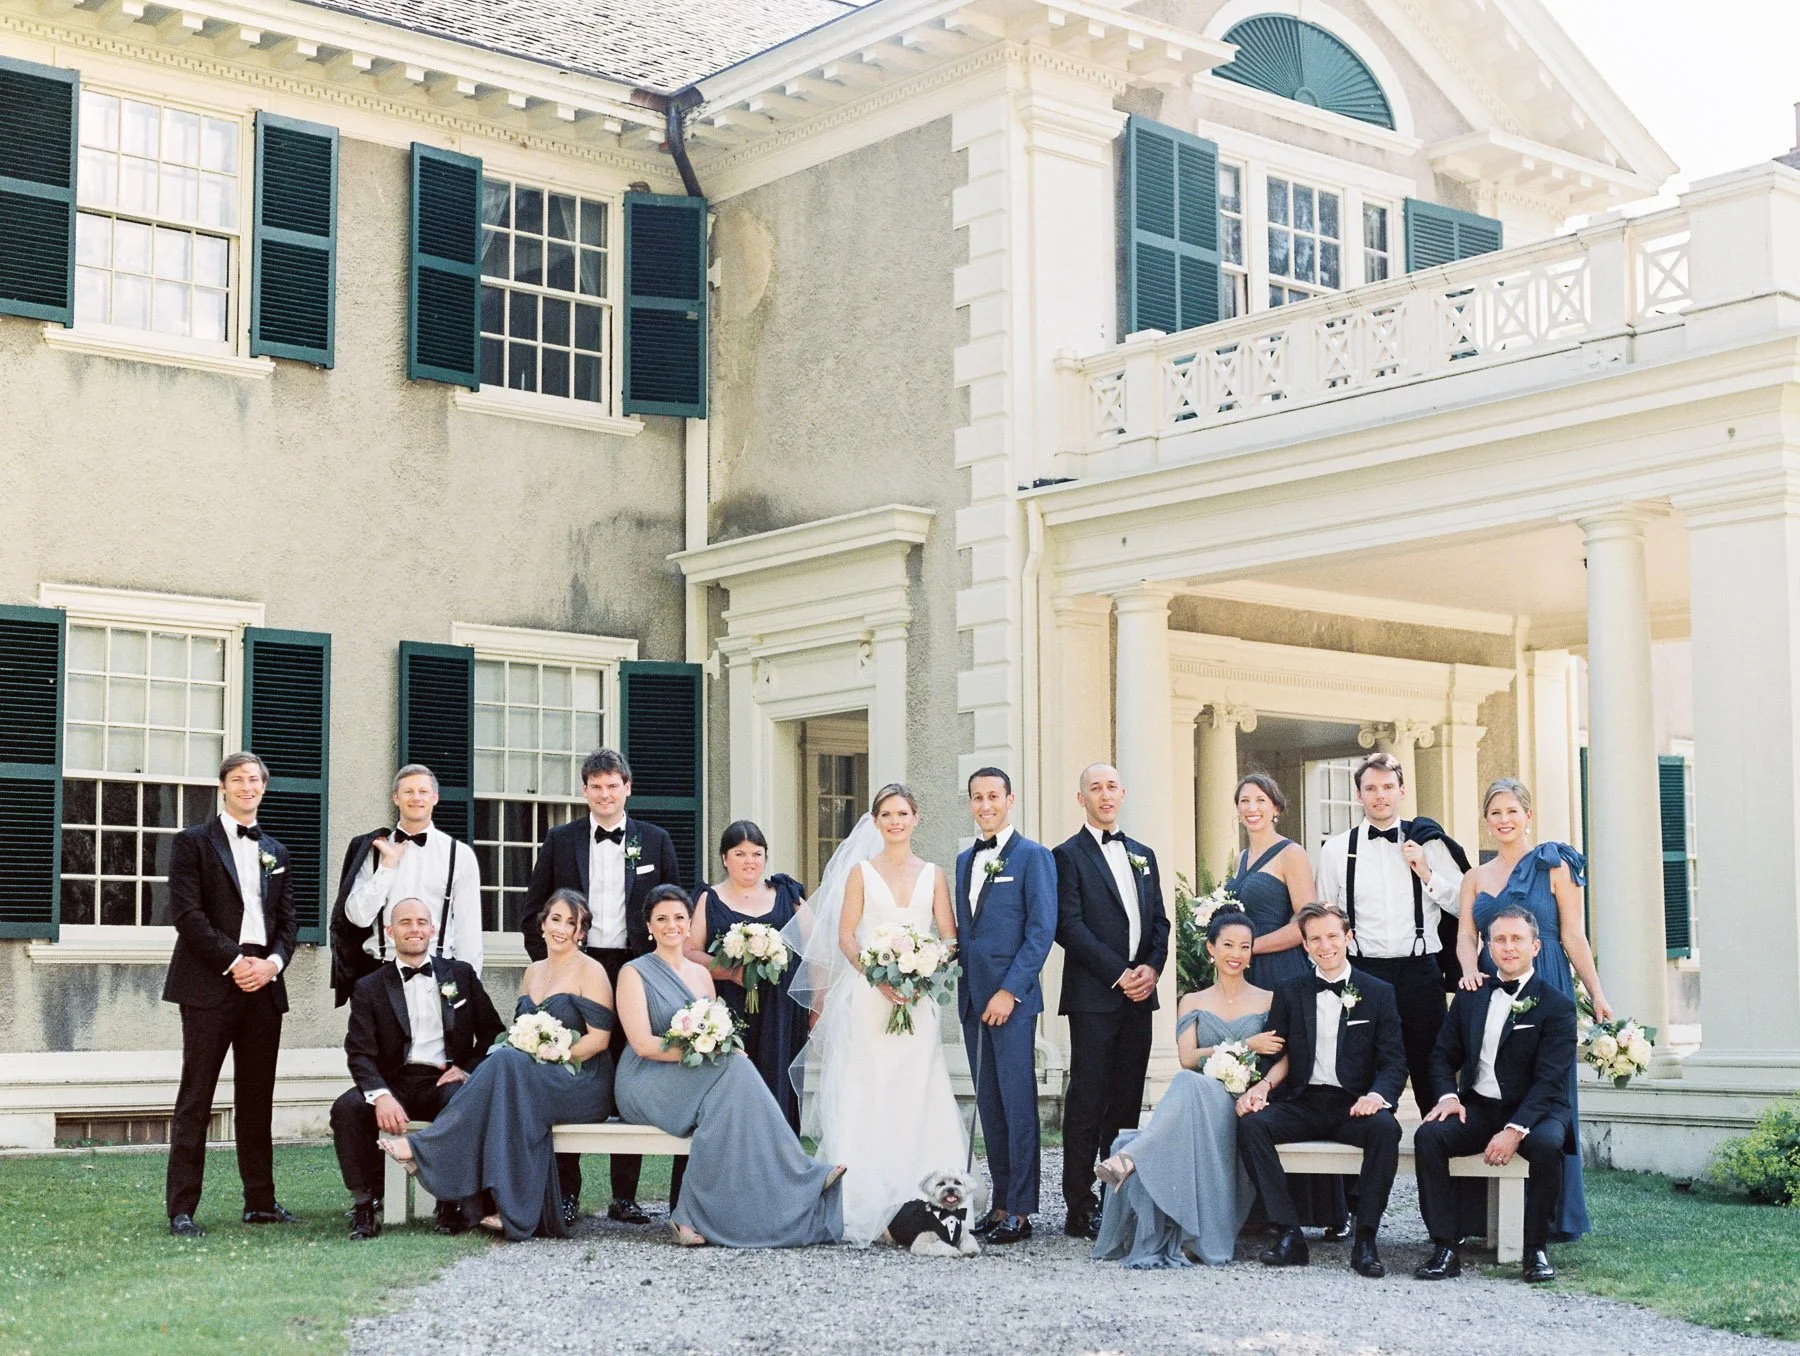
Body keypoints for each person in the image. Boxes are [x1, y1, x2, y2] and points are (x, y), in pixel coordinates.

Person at [787, 784, 968, 1246]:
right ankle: (864, 1198)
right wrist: (876, 972)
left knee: (918, 1088)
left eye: (903, 813)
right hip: (871, 998)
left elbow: (949, 938)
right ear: (875, 821)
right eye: (886, 814)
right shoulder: (860, 873)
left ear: (916, 817)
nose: (895, 821)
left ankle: (921, 1197)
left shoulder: (934, 874)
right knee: (869, 1087)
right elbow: (846, 935)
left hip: (918, 1001)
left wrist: (925, 967)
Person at [615, 886, 844, 1248]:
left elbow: (716, 1030)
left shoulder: (702, 975)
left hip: (690, 1076)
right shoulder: (634, 972)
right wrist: (702, 1048)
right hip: (644, 1081)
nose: (671, 925)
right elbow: (643, 1044)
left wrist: (719, 1046)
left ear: (690, 926)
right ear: (648, 926)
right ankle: (800, 1168)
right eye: (661, 919)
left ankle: (693, 1215)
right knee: (734, 1070)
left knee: (732, 1085)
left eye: (678, 918)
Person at [381, 889, 617, 1240]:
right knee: (508, 1076)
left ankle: (424, 1149)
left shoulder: (591, 970)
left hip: (580, 1079)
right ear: (542, 924)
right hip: (533, 1077)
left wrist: (553, 1054)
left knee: (505, 1064)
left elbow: (599, 1039)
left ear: (582, 932)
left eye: (573, 923)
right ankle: (509, 1210)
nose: (562, 929)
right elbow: (520, 1033)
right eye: (556, 919)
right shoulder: (533, 972)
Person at [518, 748, 682, 1227]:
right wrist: (554, 968)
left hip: (637, 968)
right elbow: (533, 912)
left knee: (628, 1068)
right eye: (596, 786)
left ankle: (624, 1197)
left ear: (627, 788)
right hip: (577, 968)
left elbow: (675, 907)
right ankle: (566, 1192)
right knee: (566, 1066)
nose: (605, 794)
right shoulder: (560, 839)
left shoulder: (655, 840)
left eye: (613, 786)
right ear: (585, 791)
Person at [1455, 777, 1610, 1242]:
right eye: (1494, 813)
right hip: (1490, 988)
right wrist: (1467, 972)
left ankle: (1550, 1217)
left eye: (1511, 811)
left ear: (1528, 815)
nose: (1503, 820)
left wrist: (1596, 993)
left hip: (1545, 985)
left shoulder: (1554, 865)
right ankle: (1481, 1218)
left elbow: (1572, 935)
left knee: (1546, 1092)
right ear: (1486, 821)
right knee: (1484, 1087)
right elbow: (1466, 935)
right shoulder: (1475, 877)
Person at [1092, 907, 1283, 1266]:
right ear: (1211, 948)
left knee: (1183, 1087)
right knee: (1188, 1080)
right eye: (1228, 945)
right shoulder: (1192, 1001)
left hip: (1242, 1103)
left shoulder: (1269, 999)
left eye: (1245, 946)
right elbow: (1186, 1058)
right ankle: (1133, 1157)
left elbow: (1283, 1056)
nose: (1236, 954)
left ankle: (1131, 1157)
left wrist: (1261, 1083)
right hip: (1199, 1102)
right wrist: (1245, 1046)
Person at [162, 751, 298, 1238]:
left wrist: (271, 964)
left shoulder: (276, 851)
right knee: (196, 1097)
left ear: (264, 787)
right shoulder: (192, 843)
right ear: (222, 787)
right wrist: (234, 961)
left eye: (255, 780)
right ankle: (182, 1208)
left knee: (257, 1097)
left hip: (264, 984)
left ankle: (259, 1202)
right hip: (209, 981)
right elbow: (187, 915)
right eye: (238, 780)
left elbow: (288, 922)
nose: (247, 787)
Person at [1235, 903, 1406, 1278]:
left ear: (1349, 938)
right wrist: (1262, 1087)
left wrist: (1376, 1096)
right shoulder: (1289, 991)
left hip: (1353, 1105)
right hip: (1303, 1101)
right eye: (1315, 939)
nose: (1324, 946)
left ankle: (1366, 1240)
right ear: (1305, 946)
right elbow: (1277, 1053)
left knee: (1386, 1129)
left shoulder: (1378, 992)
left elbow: (1393, 1062)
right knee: (1252, 1126)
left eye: (1332, 936)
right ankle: (1288, 1234)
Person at [1415, 901, 1577, 1284]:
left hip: (1537, 1109)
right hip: (1480, 1105)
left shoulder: (1557, 1006)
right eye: (1499, 939)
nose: (1508, 947)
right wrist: (1448, 1098)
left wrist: (1515, 1128)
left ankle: (1535, 1249)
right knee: (1429, 1137)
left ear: (1535, 946)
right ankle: (1445, 1246)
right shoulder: (1471, 996)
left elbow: (1551, 1080)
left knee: (1547, 1145)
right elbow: (1440, 1056)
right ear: (1488, 948)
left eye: (1517, 939)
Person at [331, 897, 504, 1239]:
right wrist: (379, 1095)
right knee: (347, 1108)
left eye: (422, 922)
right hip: (392, 1081)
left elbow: (492, 1032)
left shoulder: (461, 975)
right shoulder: (369, 987)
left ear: (433, 929)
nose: (415, 929)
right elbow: (359, 1052)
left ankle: (450, 1201)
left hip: (442, 1079)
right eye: (406, 923)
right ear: (390, 931)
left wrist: (467, 1068)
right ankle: (366, 1204)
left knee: (460, 1101)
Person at [1314, 753, 1469, 1119]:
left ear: (1402, 791)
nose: (1379, 795)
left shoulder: (1428, 843)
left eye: (1387, 787)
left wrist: (1427, 872)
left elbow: (1465, 905)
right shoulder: (1336, 850)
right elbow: (1325, 919)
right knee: (1360, 1073)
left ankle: (1442, 1164)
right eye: (1371, 788)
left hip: (1420, 971)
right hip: (1362, 973)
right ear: (1358, 795)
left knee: (1432, 1069)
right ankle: (1362, 1169)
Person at [1054, 762, 1170, 1241]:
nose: (1104, 795)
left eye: (1111, 787)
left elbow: (1160, 922)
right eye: (1094, 788)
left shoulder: (1143, 854)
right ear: (1081, 798)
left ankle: (1116, 1201)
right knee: (1088, 1100)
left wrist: (1151, 969)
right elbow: (1069, 926)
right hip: (1094, 997)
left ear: (1123, 794)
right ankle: (1078, 1207)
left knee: (1125, 1101)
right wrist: (1118, 974)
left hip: (1140, 998)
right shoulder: (1066, 855)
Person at [1226, 771, 1346, 1235]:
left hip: (1283, 973)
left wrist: (1250, 948)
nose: (1251, 807)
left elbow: (1306, 923)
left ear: (1276, 806)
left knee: (1295, 1077)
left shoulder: (1291, 854)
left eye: (1259, 799)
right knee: (1259, 1078)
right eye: (1243, 800)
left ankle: (1328, 1210)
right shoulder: (1241, 858)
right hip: (1249, 975)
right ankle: (1264, 1207)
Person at [954, 767, 1057, 1245]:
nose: (985, 805)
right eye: (977, 797)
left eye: (993, 796)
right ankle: (998, 1203)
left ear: (1010, 800)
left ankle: (1021, 1209)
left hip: (1010, 1001)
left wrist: (1009, 990)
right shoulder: (962, 861)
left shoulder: (1033, 856)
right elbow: (966, 933)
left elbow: (1041, 932)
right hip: (973, 1000)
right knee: (990, 1106)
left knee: (1017, 1104)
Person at [684, 820, 807, 1129]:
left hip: (782, 1011)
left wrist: (817, 1004)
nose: (749, 861)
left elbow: (818, 946)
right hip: (730, 1005)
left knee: (775, 1082)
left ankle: (775, 1168)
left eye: (756, 853)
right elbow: (689, 952)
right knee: (732, 1080)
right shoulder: (708, 898)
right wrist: (728, 971)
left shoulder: (786, 893)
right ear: (725, 858)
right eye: (740, 854)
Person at [329, 764, 482, 1007]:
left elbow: (468, 929)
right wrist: (387, 867)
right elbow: (358, 917)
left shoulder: (459, 855)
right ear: (396, 798)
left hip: (439, 971)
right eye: (408, 791)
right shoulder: (372, 851)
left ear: (435, 798)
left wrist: (468, 987)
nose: (416, 798)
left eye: (423, 791)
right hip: (380, 971)